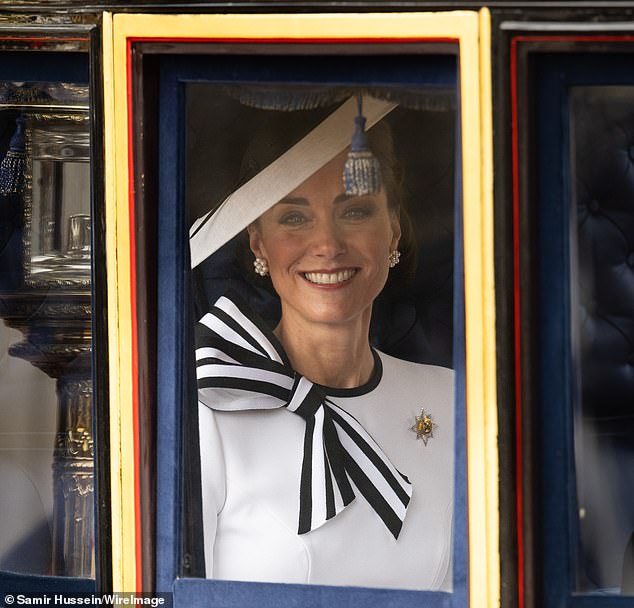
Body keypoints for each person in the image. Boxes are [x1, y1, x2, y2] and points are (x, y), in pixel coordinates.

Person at [191, 96, 454, 591]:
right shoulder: (210, 407)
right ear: (257, 243)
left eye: (354, 211)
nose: (328, 244)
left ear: (393, 230)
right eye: (294, 218)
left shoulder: (454, 402)